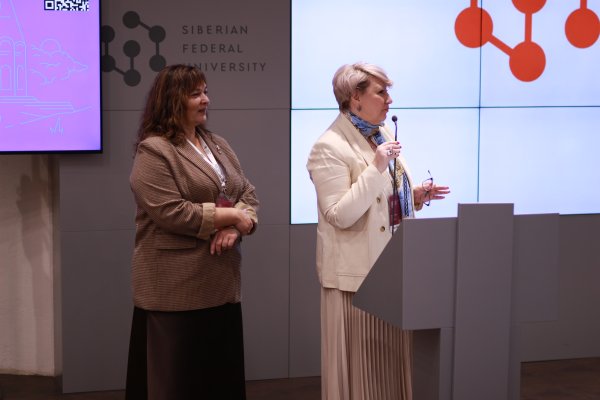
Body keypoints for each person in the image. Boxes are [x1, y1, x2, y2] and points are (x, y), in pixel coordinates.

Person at [306, 62, 449, 400]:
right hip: (357, 281)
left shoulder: (380, 133)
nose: (389, 100)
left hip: (391, 272)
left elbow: (379, 199)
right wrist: (376, 167)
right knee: (362, 377)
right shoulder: (328, 146)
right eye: (381, 92)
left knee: (390, 374)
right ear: (355, 97)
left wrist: (414, 195)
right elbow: (339, 214)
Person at [125, 64, 259, 400]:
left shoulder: (217, 143)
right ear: (173, 100)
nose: (206, 100)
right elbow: (172, 212)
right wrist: (232, 215)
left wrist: (236, 227)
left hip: (221, 286)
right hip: (175, 292)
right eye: (195, 94)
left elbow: (247, 193)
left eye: (205, 92)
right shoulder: (154, 150)